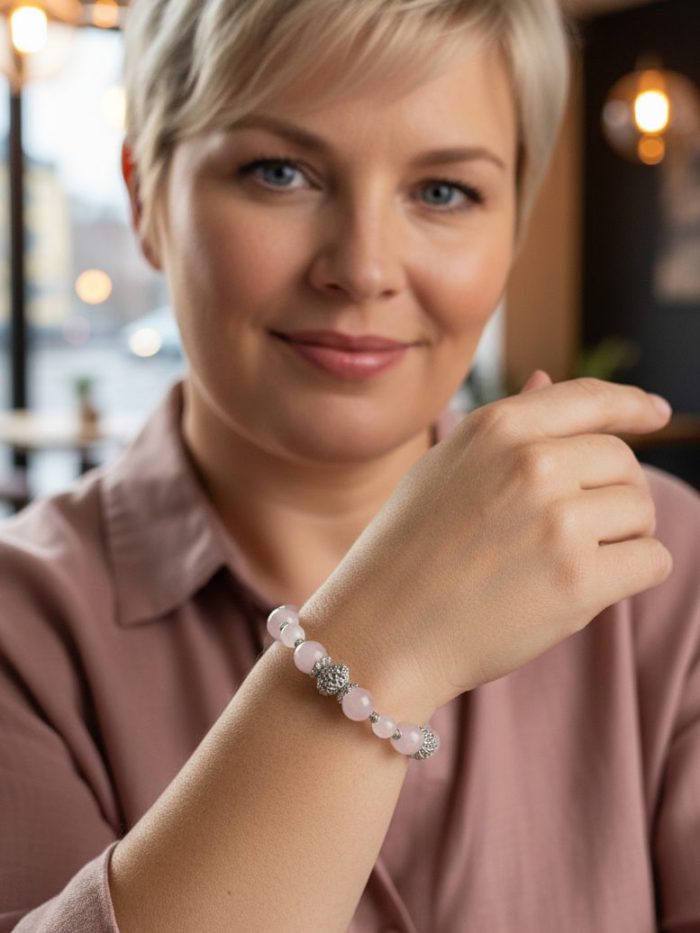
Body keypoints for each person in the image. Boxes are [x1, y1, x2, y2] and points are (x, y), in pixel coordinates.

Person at [1, 0, 698, 930]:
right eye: (279, 172)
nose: (364, 268)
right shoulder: (21, 633)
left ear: (515, 224)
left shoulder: (667, 569)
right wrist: (380, 642)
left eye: (443, 191)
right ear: (143, 200)